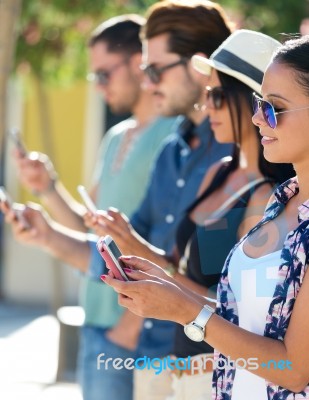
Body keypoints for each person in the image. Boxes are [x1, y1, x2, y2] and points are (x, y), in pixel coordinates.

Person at [103, 33, 309, 399]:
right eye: (260, 103)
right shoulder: (280, 201)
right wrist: (167, 287)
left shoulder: (265, 196)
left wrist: (185, 309)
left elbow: (293, 370)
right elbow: (244, 320)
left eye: (273, 107)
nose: (258, 117)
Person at [10, 14, 176, 400]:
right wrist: (47, 188)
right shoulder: (117, 136)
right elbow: (93, 230)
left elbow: (173, 246)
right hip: (96, 321)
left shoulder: (175, 134)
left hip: (136, 332)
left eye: (104, 74)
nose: (99, 86)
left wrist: (128, 330)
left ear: (139, 62)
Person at [84, 1, 233, 398]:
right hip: (150, 354)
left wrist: (138, 248)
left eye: (154, 70)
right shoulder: (172, 148)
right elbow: (137, 240)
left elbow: (226, 292)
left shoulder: (238, 158)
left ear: (199, 64)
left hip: (207, 366)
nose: (148, 84)